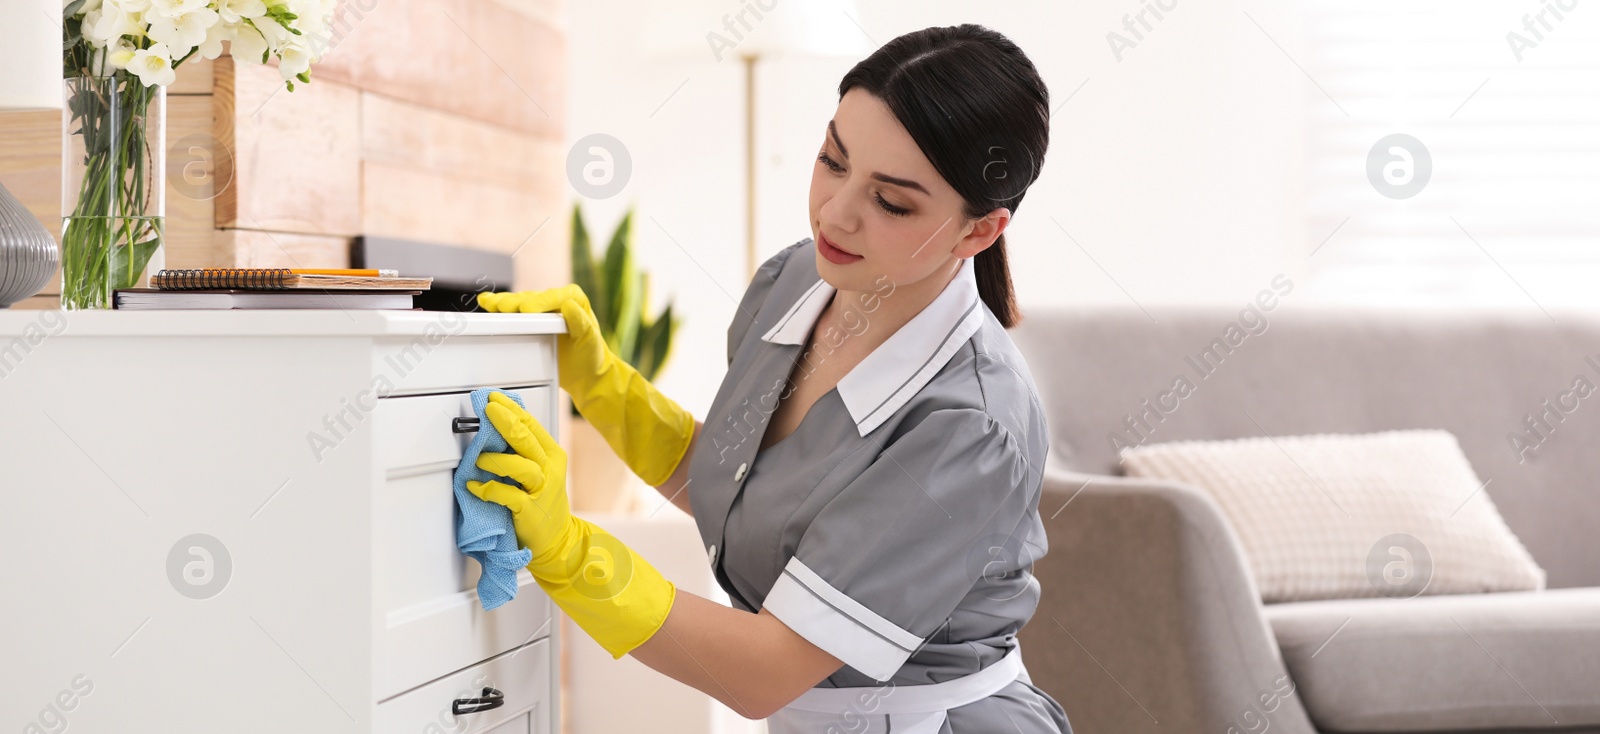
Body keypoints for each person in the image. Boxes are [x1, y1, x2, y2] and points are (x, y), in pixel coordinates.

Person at [472, 23, 1069, 734]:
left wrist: (570, 552)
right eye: (833, 160)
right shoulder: (796, 280)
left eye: (893, 202)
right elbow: (741, 488)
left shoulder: (973, 425)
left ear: (978, 232)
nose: (836, 213)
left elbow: (764, 671)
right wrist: (601, 384)